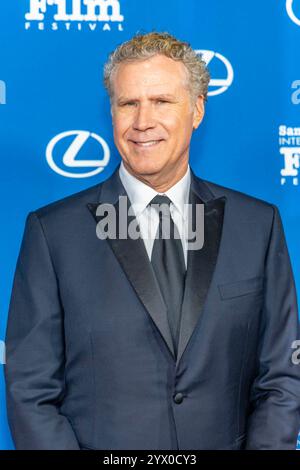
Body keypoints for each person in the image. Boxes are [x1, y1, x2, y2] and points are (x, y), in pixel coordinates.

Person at [4, 32, 300, 450]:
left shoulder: (258, 226)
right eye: (129, 104)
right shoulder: (54, 234)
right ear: (112, 112)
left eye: (161, 101)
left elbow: (283, 378)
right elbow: (30, 391)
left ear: (197, 109)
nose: (143, 121)